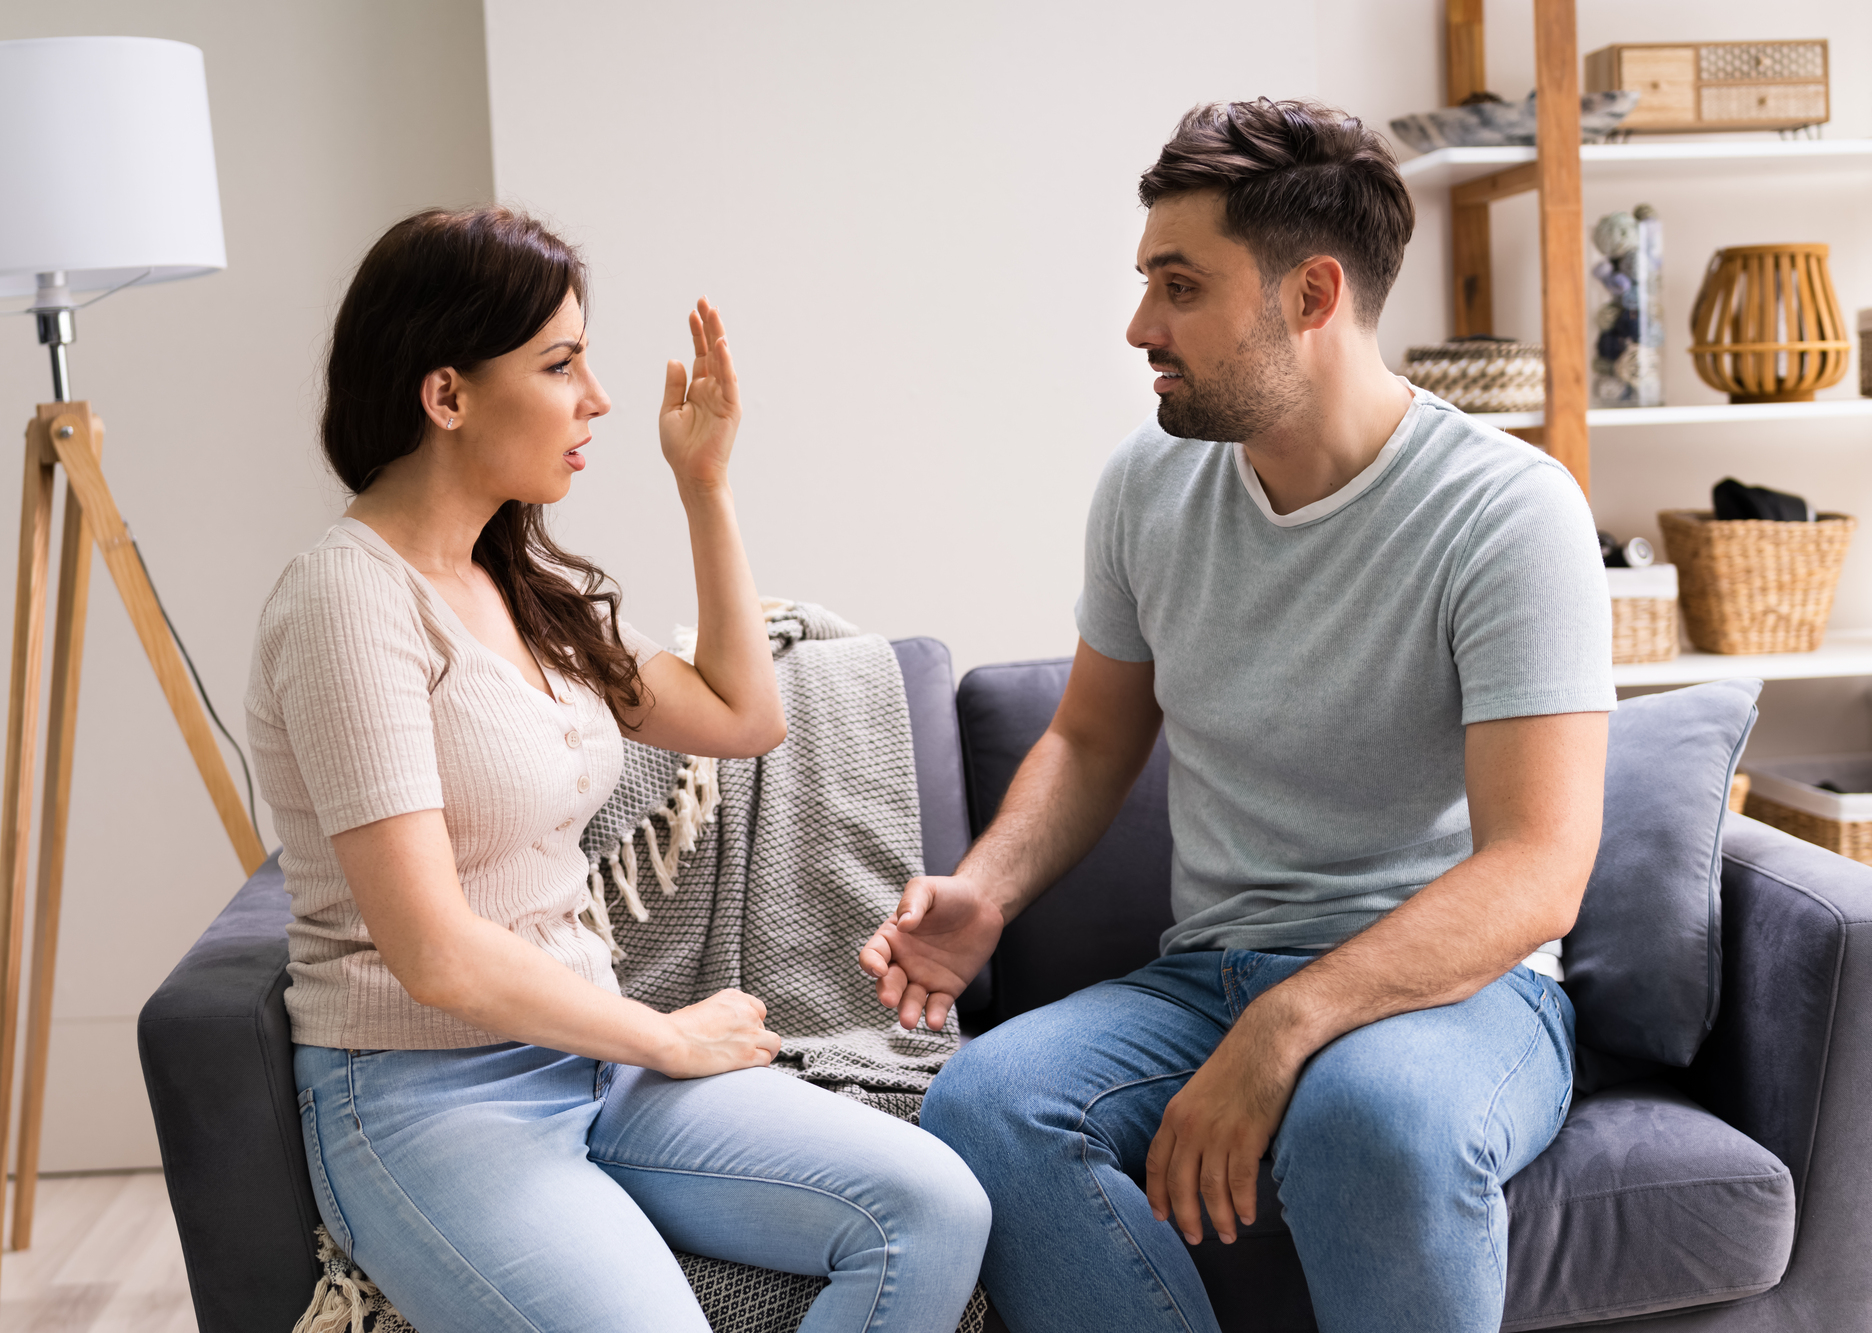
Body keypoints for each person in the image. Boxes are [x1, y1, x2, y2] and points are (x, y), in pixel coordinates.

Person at [859, 99, 1613, 1332]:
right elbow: (1092, 735)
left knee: (1368, 1116)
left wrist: (1286, 1026)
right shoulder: (1148, 485)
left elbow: (1536, 868)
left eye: (1180, 285)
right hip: (1206, 974)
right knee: (983, 1106)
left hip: (1453, 991)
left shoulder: (1505, 514)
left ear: (1310, 295)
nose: (1138, 326)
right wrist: (986, 890)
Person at [248, 206, 989, 1333]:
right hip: (422, 1099)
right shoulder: (346, 600)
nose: (596, 396)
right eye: (559, 363)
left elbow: (745, 716)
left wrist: (704, 482)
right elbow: (432, 950)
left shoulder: (520, 586)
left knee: (929, 1206)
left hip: (591, 1061)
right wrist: (668, 1035)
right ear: (444, 395)